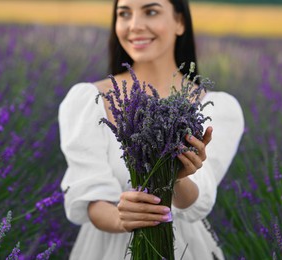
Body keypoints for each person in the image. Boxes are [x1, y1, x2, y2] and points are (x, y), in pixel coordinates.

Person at [58, 0, 244, 259]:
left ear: (180, 22)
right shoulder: (87, 100)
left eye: (151, 11)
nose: (134, 25)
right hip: (106, 248)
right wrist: (122, 219)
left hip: (186, 248)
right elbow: (89, 195)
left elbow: (197, 201)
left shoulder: (220, 109)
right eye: (124, 13)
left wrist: (177, 177)